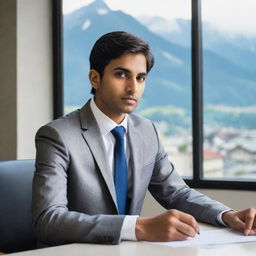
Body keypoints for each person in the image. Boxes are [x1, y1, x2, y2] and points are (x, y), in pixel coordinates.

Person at [32, 31, 256, 246]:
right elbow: (49, 220)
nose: (133, 88)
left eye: (140, 78)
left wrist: (227, 215)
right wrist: (139, 227)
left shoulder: (146, 131)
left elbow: (176, 192)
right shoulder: (58, 136)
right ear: (95, 78)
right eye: (121, 74)